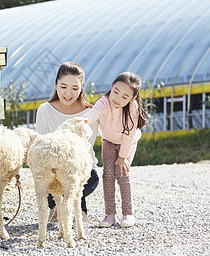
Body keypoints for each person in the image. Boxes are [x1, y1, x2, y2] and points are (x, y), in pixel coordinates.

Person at [35, 62, 99, 228]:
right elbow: (42, 143)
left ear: (82, 88)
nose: (68, 93)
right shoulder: (44, 110)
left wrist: (67, 165)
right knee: (49, 177)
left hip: (78, 166)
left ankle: (77, 209)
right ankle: (56, 207)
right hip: (53, 166)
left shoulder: (90, 112)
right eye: (63, 86)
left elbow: (86, 147)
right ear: (56, 85)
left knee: (86, 177)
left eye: (75, 88)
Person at [80, 71, 147, 228]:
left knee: (122, 174)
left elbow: (130, 135)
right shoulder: (104, 102)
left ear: (132, 98)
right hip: (109, 141)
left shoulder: (133, 108)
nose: (117, 98)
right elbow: (94, 112)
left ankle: (128, 214)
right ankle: (110, 214)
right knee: (108, 175)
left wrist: (122, 157)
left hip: (127, 143)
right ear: (112, 87)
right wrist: (85, 119)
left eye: (125, 97)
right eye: (116, 92)